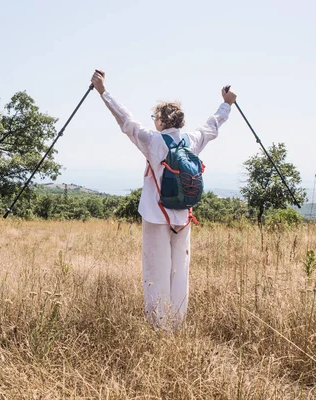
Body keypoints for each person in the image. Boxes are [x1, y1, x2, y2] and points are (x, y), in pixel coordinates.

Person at [91, 69, 237, 330]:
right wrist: (226, 104)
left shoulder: (152, 141)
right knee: (179, 272)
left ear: (160, 121)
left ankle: (160, 328)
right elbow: (212, 125)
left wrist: (104, 91)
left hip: (156, 216)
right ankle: (177, 324)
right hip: (183, 216)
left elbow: (125, 120)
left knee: (155, 273)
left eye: (154, 117)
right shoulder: (191, 140)